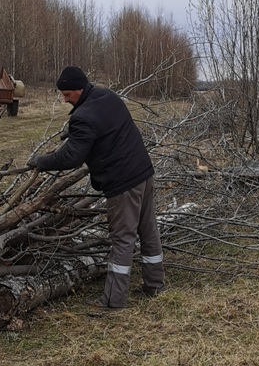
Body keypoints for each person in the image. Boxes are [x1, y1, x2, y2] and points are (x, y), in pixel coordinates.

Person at [27, 66, 164, 310]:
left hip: (123, 182)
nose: (64, 99)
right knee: (148, 229)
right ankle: (155, 285)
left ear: (80, 89)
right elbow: (101, 125)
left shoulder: (84, 116)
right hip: (144, 172)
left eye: (68, 94)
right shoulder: (107, 96)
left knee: (123, 239)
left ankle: (113, 300)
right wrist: (73, 132)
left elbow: (71, 157)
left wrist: (41, 161)